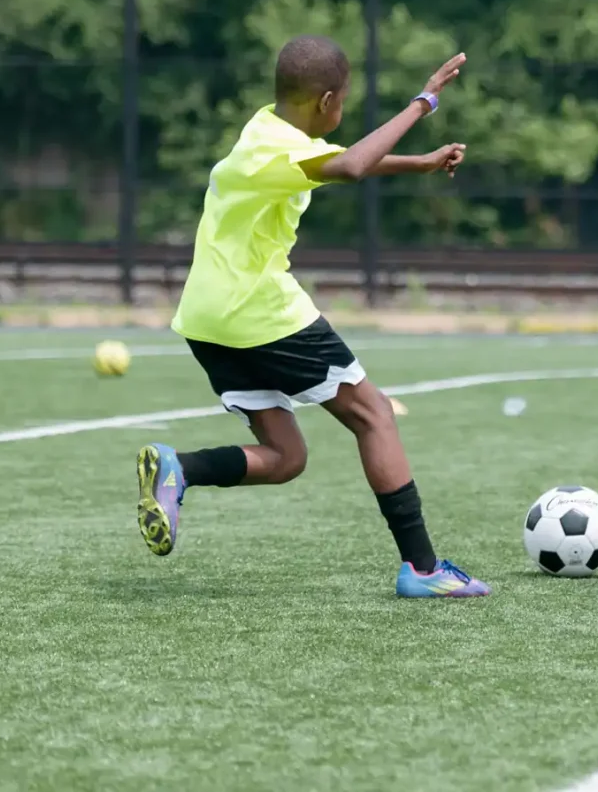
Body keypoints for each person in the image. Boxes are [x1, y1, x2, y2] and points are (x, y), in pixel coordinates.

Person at [135, 36, 490, 599]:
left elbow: (339, 163)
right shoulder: (279, 150)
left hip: (207, 320)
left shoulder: (266, 131)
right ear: (328, 100)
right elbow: (349, 165)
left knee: (286, 457)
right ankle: (422, 569)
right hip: (259, 310)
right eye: (344, 99)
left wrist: (417, 163)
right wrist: (424, 102)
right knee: (373, 414)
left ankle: (181, 469)